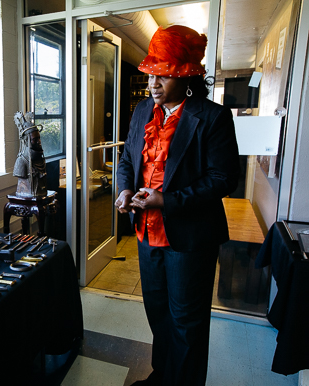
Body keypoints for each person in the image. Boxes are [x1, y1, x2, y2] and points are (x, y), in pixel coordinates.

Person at [115, 25, 240, 386]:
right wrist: (125, 191)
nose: (153, 83)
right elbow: (127, 159)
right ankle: (163, 375)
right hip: (147, 233)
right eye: (152, 73)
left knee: (187, 318)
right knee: (157, 310)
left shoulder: (213, 117)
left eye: (164, 74)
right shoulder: (142, 111)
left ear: (186, 78)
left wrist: (167, 200)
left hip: (190, 237)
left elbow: (222, 179)